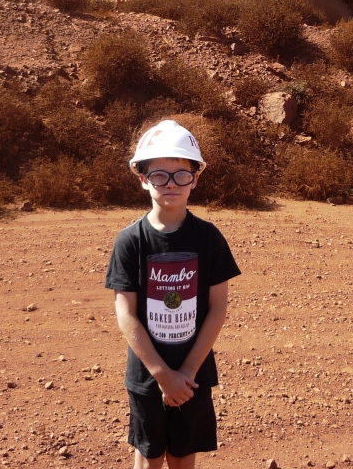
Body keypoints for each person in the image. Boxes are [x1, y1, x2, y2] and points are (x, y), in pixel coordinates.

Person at [105, 120, 241, 469]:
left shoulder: (209, 238)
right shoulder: (130, 241)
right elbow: (126, 313)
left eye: (181, 174)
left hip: (194, 375)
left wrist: (187, 372)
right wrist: (163, 375)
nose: (171, 184)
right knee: (148, 459)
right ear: (142, 178)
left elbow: (218, 308)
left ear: (196, 178)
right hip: (148, 378)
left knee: (183, 458)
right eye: (159, 175)